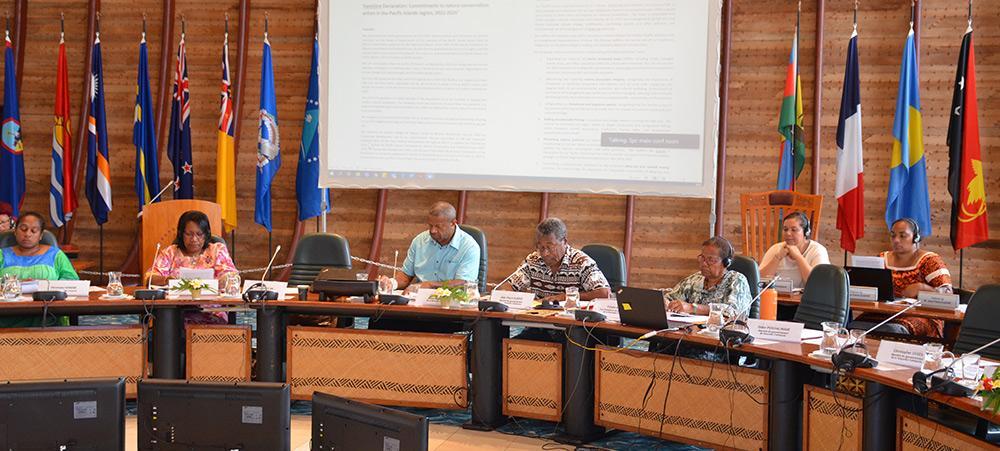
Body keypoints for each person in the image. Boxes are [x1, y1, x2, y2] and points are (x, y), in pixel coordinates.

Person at [856, 218, 952, 337]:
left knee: (892, 330)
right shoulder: (881, 259)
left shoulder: (930, 260)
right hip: (884, 313)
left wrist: (924, 288)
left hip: (921, 316)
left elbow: (948, 294)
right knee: (855, 326)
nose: (896, 240)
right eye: (893, 236)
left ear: (915, 238)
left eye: (903, 236)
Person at [144, 210, 238, 324]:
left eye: (199, 234)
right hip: (175, 312)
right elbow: (149, 278)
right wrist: (166, 280)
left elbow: (232, 275)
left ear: (206, 234)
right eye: (189, 234)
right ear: (180, 234)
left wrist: (224, 280)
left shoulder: (216, 250)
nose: (194, 239)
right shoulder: (170, 252)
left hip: (212, 310)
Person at [498, 217, 610, 305]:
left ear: (564, 242)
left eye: (550, 247)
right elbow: (508, 286)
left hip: (570, 327)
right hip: (538, 325)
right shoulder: (533, 260)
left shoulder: (581, 262)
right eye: (540, 247)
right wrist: (512, 298)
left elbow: (604, 293)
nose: (544, 253)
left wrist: (564, 297)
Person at [379, 202, 480, 293]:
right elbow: (405, 276)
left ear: (453, 223)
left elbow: (463, 284)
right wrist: (392, 283)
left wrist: (430, 285)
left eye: (438, 226)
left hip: (452, 303)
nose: (433, 231)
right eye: (430, 225)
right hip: (418, 301)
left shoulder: (469, 247)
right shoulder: (419, 241)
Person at [0, 212, 79, 327]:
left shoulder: (56, 255)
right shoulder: (2, 255)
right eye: (23, 229)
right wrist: (16, 284)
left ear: (41, 235)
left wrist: (44, 284)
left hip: (48, 312)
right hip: (7, 314)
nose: (27, 234)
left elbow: (72, 281)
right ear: (15, 232)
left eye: (33, 231)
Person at [663, 236, 752, 319]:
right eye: (702, 258)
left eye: (711, 260)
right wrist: (666, 302)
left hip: (722, 333)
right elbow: (671, 297)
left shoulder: (737, 280)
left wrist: (693, 308)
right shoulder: (695, 279)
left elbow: (734, 311)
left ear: (726, 263)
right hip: (692, 333)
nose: (704, 264)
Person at [759, 212, 830, 288]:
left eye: (794, 230)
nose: (788, 233)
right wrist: (777, 258)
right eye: (785, 229)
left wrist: (798, 257)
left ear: (806, 232)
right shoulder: (776, 249)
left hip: (807, 299)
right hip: (777, 297)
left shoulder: (817, 250)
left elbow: (818, 283)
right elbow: (759, 280)